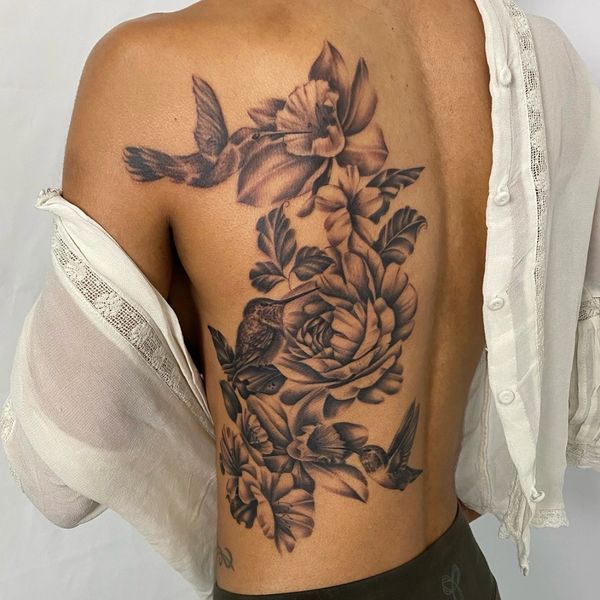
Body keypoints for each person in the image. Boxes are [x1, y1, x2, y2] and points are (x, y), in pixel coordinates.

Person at [1, 0, 598, 599]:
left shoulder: (150, 68)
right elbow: (527, 363)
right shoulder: (533, 58)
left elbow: (64, 470)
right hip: (458, 576)